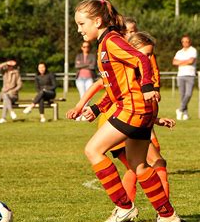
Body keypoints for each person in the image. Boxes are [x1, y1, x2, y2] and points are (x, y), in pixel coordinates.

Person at [72, 0, 182, 222]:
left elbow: (142, 59)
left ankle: (124, 206)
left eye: (82, 24)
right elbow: (116, 86)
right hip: (137, 108)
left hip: (132, 108)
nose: (79, 29)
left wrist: (148, 86)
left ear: (98, 21)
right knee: (138, 165)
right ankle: (168, 216)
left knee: (93, 150)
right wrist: (95, 107)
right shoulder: (105, 44)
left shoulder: (111, 41)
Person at [67, 32, 172, 209]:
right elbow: (109, 90)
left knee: (139, 166)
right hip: (120, 122)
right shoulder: (125, 65)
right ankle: (130, 207)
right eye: (145, 54)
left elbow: (131, 100)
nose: (148, 58)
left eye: (150, 55)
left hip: (132, 120)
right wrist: (87, 107)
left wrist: (156, 119)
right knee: (148, 164)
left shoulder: (134, 69)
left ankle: (155, 211)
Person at [173, 35, 197, 120]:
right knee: (182, 96)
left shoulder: (193, 50)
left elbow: (191, 61)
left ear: (189, 42)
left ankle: (180, 110)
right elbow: (174, 62)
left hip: (190, 75)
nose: (185, 43)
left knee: (188, 94)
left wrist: (181, 62)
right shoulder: (179, 52)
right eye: (183, 41)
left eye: (187, 41)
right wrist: (185, 61)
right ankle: (185, 114)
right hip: (180, 75)